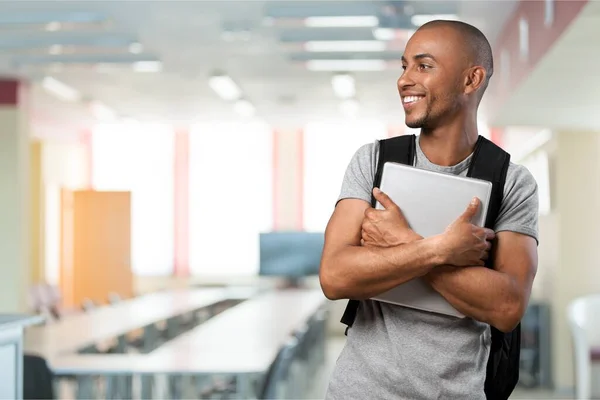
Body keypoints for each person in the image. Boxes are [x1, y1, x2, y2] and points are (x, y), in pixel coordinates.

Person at [319, 19, 539, 399]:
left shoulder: (512, 183)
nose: (405, 79)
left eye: (423, 66)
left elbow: (507, 306)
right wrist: (440, 249)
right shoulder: (373, 162)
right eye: (404, 65)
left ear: (471, 80)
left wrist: (400, 240)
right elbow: (335, 277)